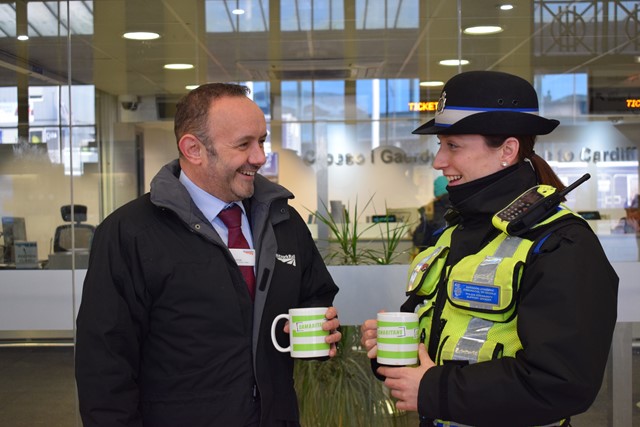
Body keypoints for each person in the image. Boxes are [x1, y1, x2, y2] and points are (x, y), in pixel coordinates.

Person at [360, 71, 618, 427]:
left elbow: (563, 383)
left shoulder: (562, 243)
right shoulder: (453, 234)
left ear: (507, 150)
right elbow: (439, 349)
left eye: (453, 146)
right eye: (440, 146)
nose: (439, 161)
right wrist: (392, 351)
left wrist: (436, 389)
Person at [75, 83, 341, 427]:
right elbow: (104, 364)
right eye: (244, 144)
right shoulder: (130, 233)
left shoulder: (282, 220)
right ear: (193, 148)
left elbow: (315, 293)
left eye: (261, 141)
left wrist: (316, 324)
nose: (260, 157)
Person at [412, 175, 450, 254]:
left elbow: (419, 241)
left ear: (436, 192)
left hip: (433, 256)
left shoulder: (430, 210)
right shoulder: (460, 207)